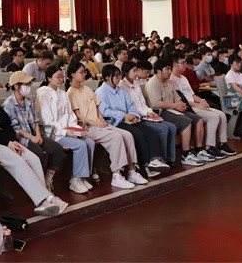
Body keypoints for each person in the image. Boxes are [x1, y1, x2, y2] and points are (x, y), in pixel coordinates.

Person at [0, 76, 67, 216]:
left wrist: (12, 141)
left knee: (33, 159)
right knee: (19, 162)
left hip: (9, 142)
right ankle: (43, 201)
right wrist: (7, 142)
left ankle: (47, 197)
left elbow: (8, 127)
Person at [65, 61, 147, 189]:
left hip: (98, 124)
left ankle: (132, 171)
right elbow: (79, 115)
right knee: (116, 137)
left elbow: (97, 107)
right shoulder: (71, 92)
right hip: (86, 127)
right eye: (81, 72)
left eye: (84, 72)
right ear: (72, 74)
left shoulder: (87, 89)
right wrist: (96, 123)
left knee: (127, 135)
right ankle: (116, 175)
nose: (84, 74)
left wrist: (101, 119)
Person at [96, 65, 172, 177]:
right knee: (138, 134)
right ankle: (146, 165)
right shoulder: (101, 92)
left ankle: (155, 160)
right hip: (116, 122)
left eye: (119, 75)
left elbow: (131, 105)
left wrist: (134, 115)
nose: (119, 78)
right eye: (115, 76)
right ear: (107, 77)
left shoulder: (120, 90)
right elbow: (105, 112)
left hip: (129, 118)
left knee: (150, 132)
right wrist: (124, 116)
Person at [35, 66, 98, 194]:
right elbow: (47, 121)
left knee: (90, 142)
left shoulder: (63, 93)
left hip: (68, 131)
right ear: (49, 78)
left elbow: (70, 115)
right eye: (58, 77)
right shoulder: (43, 95)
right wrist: (65, 132)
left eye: (62, 77)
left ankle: (83, 177)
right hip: (54, 133)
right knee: (80, 145)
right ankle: (75, 180)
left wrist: (76, 129)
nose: (61, 80)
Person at [3, 70, 66, 188]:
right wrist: (32, 138)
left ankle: (47, 180)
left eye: (29, 84)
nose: (28, 87)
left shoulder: (28, 102)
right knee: (39, 154)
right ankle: (39, 185)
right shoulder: (8, 105)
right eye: (25, 84)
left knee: (57, 150)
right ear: (16, 86)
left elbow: (36, 121)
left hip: (34, 135)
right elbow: (15, 129)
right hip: (22, 139)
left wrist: (38, 135)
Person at [143, 59, 211, 166]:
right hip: (161, 112)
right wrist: (175, 106)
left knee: (198, 119)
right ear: (159, 71)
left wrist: (181, 104)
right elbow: (156, 103)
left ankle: (199, 149)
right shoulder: (153, 83)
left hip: (173, 109)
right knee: (186, 121)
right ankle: (186, 154)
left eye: (170, 69)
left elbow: (177, 97)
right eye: (167, 69)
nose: (170, 71)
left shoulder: (169, 82)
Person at [119, 61, 180, 168]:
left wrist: (150, 112)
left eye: (137, 70)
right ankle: (161, 159)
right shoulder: (122, 87)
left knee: (172, 127)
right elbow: (131, 107)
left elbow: (143, 103)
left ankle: (170, 158)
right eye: (134, 71)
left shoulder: (136, 85)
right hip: (137, 116)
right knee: (163, 128)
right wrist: (145, 113)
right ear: (126, 72)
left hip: (145, 114)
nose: (137, 73)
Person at [172, 57, 235, 157]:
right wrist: (197, 105)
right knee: (214, 117)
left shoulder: (183, 78)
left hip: (195, 104)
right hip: (189, 107)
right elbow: (182, 100)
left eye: (185, 62)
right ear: (175, 64)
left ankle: (222, 144)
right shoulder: (172, 79)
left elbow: (192, 95)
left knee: (222, 115)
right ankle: (209, 146)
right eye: (182, 63)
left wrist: (202, 100)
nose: (185, 65)